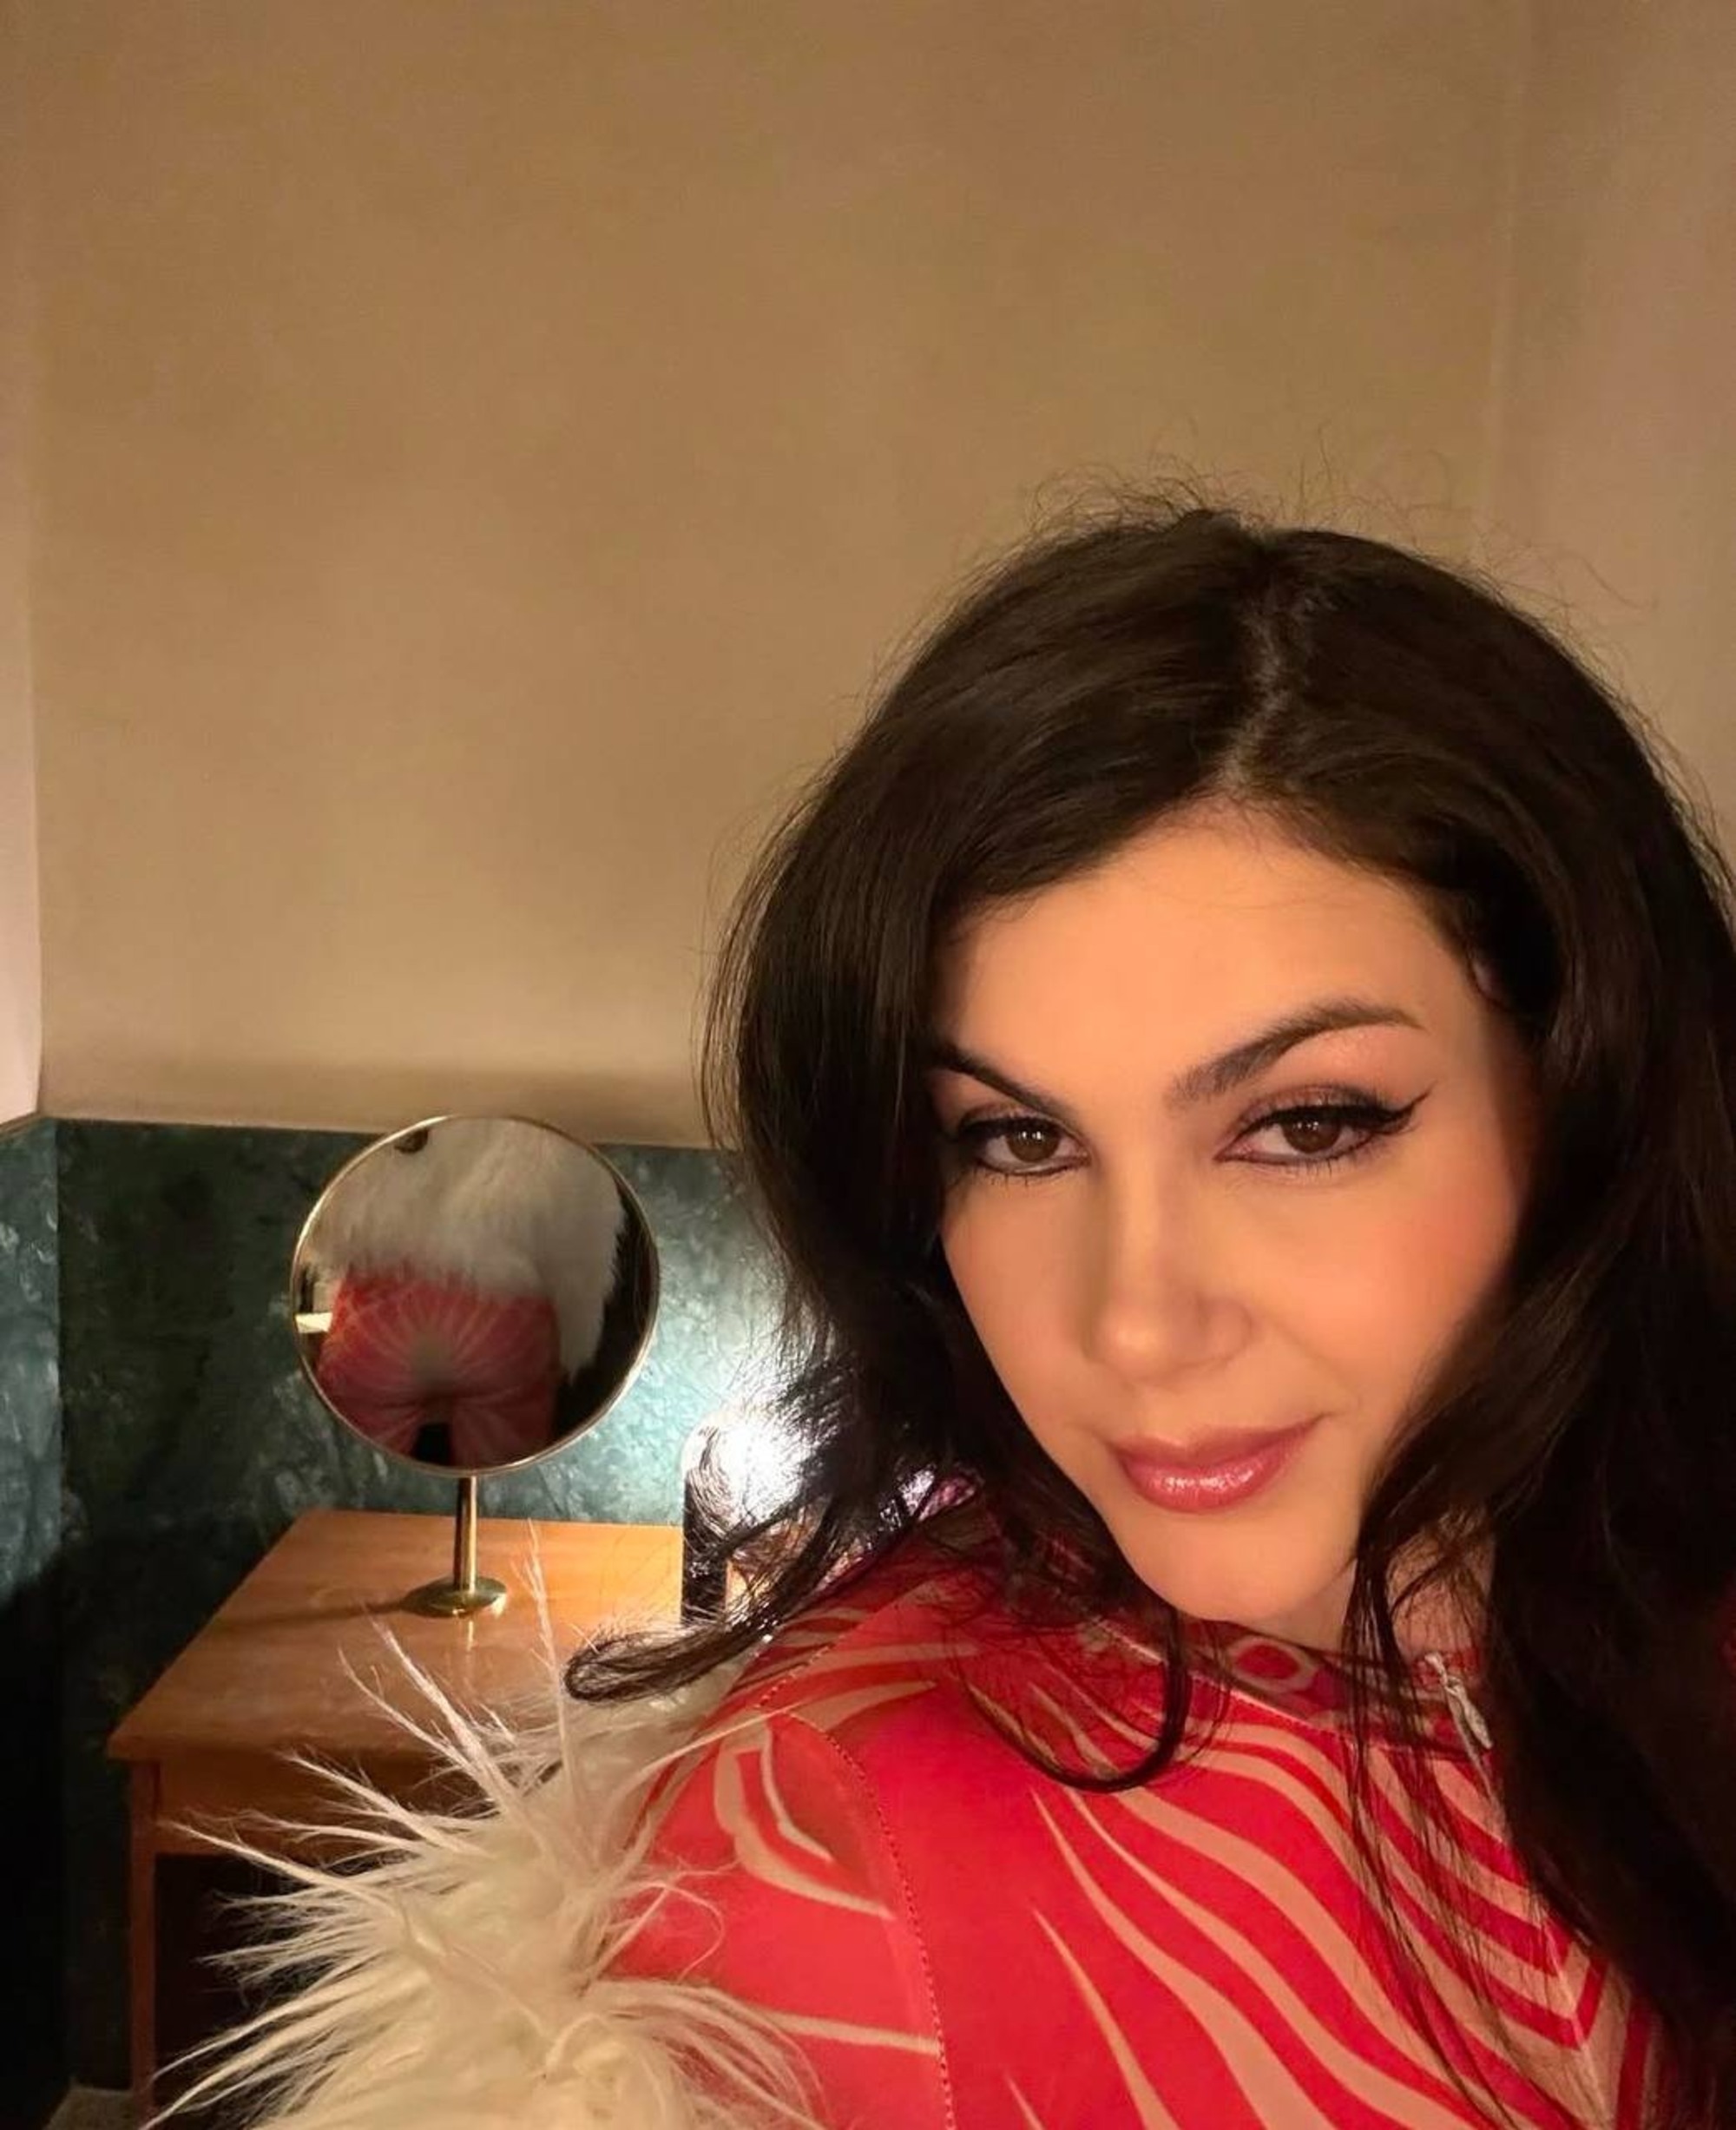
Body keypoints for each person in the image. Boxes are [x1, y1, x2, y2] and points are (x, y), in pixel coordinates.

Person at [174, 497, 1736, 2130]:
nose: (1135, 1323)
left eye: (1305, 1123)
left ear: (1584, 1091)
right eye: (1017, 1138)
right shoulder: (824, 1864)